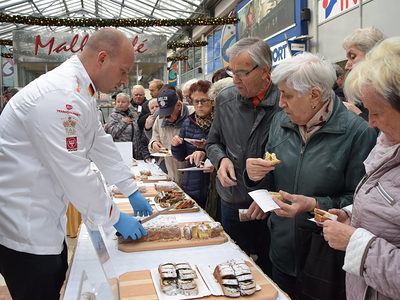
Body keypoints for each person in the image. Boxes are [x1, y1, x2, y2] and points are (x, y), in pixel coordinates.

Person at [0, 28, 153, 300]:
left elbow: (97, 140)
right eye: (123, 71)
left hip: (44, 217)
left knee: (57, 280)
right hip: (25, 226)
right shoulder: (60, 95)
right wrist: (114, 217)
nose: (124, 81)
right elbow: (75, 173)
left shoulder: (80, 89)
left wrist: (129, 188)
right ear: (102, 58)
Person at [244, 52, 377, 299]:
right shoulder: (280, 121)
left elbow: (358, 203)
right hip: (282, 252)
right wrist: (254, 177)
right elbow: (272, 179)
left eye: (288, 95)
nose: (281, 103)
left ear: (315, 96)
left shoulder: (357, 133)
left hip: (324, 261)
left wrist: (314, 205)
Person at [323, 37, 400, 300]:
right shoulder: (388, 145)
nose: (371, 123)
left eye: (376, 112)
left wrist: (356, 243)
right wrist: (354, 216)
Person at [206, 37, 281, 275]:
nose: (234, 79)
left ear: (265, 71)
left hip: (274, 208)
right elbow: (212, 142)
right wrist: (221, 159)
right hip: (233, 202)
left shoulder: (285, 101)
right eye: (231, 71)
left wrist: (268, 195)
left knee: (270, 274)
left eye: (242, 73)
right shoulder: (226, 99)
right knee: (235, 271)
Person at [171, 80, 213, 209]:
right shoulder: (188, 122)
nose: (199, 105)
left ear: (212, 101)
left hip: (213, 184)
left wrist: (205, 151)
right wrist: (176, 146)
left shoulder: (220, 121)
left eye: (204, 101)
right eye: (196, 101)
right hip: (191, 183)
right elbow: (181, 156)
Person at [148, 89, 194, 185]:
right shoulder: (159, 119)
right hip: (172, 175)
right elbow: (154, 138)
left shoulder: (193, 114)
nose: (166, 117)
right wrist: (153, 144)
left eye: (169, 113)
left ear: (179, 105)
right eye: (163, 113)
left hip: (193, 176)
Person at [342, 27, 385, 119]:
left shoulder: (389, 92)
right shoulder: (359, 91)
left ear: (373, 54)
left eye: (353, 57)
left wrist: (356, 113)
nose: (347, 66)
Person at [106, 92, 151, 161]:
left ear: (128, 103)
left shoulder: (134, 115)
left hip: (136, 152)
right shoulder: (113, 116)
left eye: (123, 102)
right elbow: (112, 133)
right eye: (118, 101)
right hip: (122, 151)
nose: (120, 104)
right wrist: (123, 122)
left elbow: (140, 133)